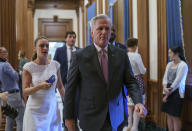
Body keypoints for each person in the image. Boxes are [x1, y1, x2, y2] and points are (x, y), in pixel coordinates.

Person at [64, 14, 147, 131]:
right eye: (100, 28)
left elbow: (131, 81)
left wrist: (138, 102)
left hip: (116, 116)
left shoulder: (121, 54)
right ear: (92, 32)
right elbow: (70, 89)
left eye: (107, 28)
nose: (104, 32)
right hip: (90, 116)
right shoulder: (80, 56)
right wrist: (68, 117)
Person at [22, 36, 65, 131]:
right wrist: (39, 86)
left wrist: (67, 102)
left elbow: (61, 87)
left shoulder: (55, 65)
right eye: (41, 46)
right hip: (34, 112)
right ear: (35, 48)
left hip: (52, 109)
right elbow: (25, 92)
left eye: (47, 46)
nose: (45, 48)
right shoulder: (29, 67)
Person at [54, 31, 80, 130]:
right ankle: (66, 123)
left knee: (76, 102)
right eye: (70, 37)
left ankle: (75, 122)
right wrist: (56, 82)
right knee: (66, 102)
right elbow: (55, 66)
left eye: (74, 37)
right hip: (64, 81)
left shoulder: (79, 50)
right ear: (66, 39)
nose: (72, 39)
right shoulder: (59, 50)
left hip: (77, 82)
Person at [161, 46, 188, 131]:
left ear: (177, 54)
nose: (169, 55)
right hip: (167, 90)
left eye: (170, 53)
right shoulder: (169, 64)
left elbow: (177, 82)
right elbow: (165, 78)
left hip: (176, 93)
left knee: (175, 116)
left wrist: (167, 94)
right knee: (168, 115)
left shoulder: (183, 65)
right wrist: (164, 87)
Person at [0, 47, 25, 131]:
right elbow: (16, 77)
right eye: (4, 52)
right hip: (14, 95)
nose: (7, 54)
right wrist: (11, 67)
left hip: (5, 96)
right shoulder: (5, 65)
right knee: (20, 119)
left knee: (9, 120)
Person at [126, 38, 146, 131]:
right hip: (137, 80)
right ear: (135, 46)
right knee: (137, 105)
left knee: (129, 105)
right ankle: (135, 127)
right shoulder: (136, 55)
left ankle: (129, 126)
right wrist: (145, 69)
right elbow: (142, 70)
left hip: (126, 81)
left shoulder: (124, 55)